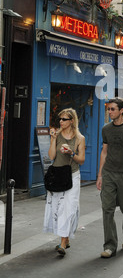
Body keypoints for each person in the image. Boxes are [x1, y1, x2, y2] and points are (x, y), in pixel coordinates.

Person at [96, 98, 123, 258]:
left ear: (121, 110)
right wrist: (100, 174)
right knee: (107, 209)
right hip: (108, 173)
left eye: (112, 109)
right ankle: (109, 245)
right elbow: (104, 152)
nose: (109, 112)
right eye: (108, 109)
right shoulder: (106, 129)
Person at [43, 108, 86, 256]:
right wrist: (53, 139)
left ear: (72, 121)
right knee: (57, 208)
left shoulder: (79, 138)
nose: (61, 122)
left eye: (64, 119)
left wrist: (71, 153)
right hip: (57, 175)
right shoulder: (58, 135)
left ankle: (62, 243)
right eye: (60, 119)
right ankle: (65, 240)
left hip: (72, 175)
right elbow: (51, 156)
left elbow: (81, 160)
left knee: (68, 208)